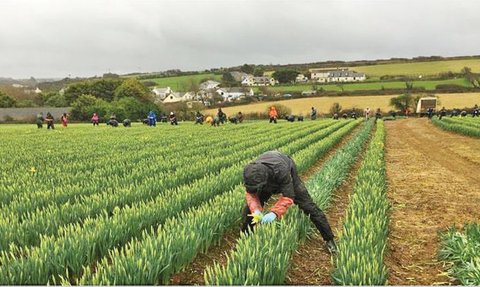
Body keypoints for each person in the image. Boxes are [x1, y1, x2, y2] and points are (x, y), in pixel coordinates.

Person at [242, 150, 337, 253]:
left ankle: (329, 239)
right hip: (265, 179)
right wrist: (255, 210)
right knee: (249, 212)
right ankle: (245, 238)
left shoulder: (281, 171)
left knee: (309, 207)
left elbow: (288, 196)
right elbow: (251, 194)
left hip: (286, 172)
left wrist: (274, 213)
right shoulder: (250, 173)